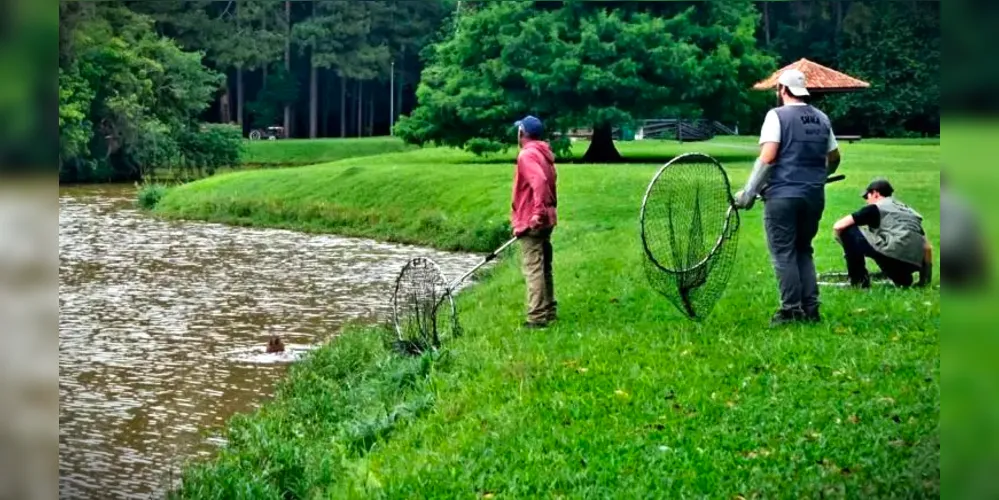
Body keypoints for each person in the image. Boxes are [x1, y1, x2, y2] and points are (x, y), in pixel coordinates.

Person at [733, 68, 842, 326]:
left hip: (782, 196)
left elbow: (769, 156)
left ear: (782, 90)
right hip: (814, 196)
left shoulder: (776, 116)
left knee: (783, 252)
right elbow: (835, 157)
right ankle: (811, 309)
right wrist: (819, 176)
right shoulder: (822, 118)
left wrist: (748, 192)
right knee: (803, 249)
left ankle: (791, 311)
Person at [832, 178, 933, 288]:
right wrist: (925, 280)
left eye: (867, 197)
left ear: (875, 193)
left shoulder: (876, 207)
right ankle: (902, 279)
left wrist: (849, 249)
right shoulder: (910, 212)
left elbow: (838, 226)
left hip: (893, 251)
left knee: (848, 230)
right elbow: (927, 247)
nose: (866, 201)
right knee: (904, 282)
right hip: (912, 262)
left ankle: (859, 282)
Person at [512, 115, 558, 328]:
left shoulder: (527, 155)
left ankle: (537, 317)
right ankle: (549, 310)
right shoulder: (544, 153)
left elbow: (539, 181)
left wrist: (536, 214)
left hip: (533, 220)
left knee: (533, 267)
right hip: (546, 219)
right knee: (544, 266)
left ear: (522, 133)